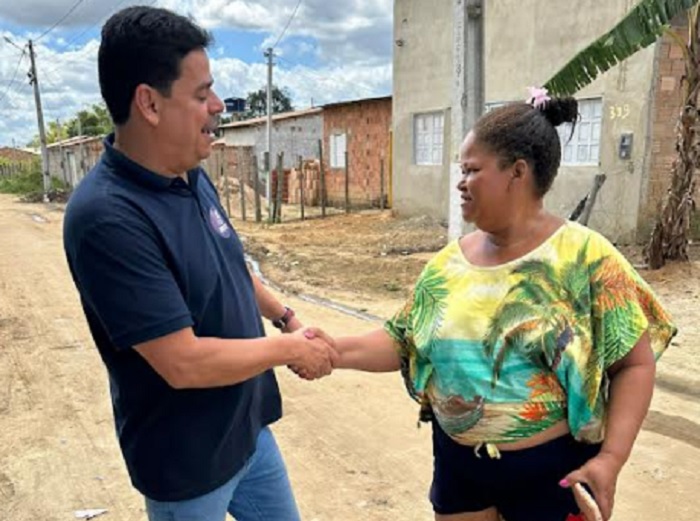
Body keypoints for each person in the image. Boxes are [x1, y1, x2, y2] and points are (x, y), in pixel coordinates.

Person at [333, 93, 676, 521]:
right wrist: (333, 352)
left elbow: (635, 365)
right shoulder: (448, 264)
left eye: (472, 170)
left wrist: (612, 459)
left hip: (553, 472)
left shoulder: (587, 259)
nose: (460, 183)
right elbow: (404, 339)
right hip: (460, 468)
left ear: (518, 171)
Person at [63, 6, 336, 521]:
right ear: (148, 103)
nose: (216, 105)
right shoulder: (106, 218)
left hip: (246, 432)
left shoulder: (189, 174)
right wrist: (287, 349)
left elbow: (231, 263)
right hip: (187, 464)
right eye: (200, 93)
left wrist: (285, 316)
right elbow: (182, 362)